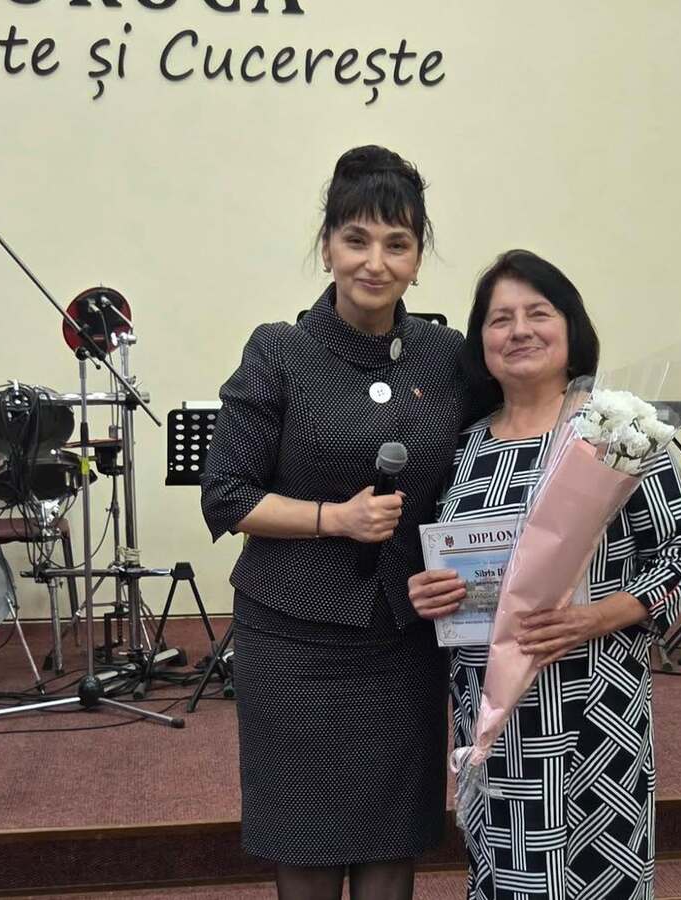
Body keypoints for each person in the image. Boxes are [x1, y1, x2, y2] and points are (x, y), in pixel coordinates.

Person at [201, 145, 465, 900]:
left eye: (397, 244)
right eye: (356, 240)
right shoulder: (279, 352)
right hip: (293, 637)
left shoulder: (448, 357)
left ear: (418, 259)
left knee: (392, 842)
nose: (375, 263)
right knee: (307, 843)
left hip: (404, 639)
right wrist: (335, 518)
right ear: (327, 247)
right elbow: (227, 496)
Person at [408, 250, 681, 900]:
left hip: (594, 707)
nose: (519, 330)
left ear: (571, 327)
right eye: (500, 319)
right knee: (504, 870)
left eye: (537, 313)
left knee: (597, 877)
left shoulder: (617, 434)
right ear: (480, 341)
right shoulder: (463, 448)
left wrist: (592, 617)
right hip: (491, 711)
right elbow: (444, 562)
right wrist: (428, 589)